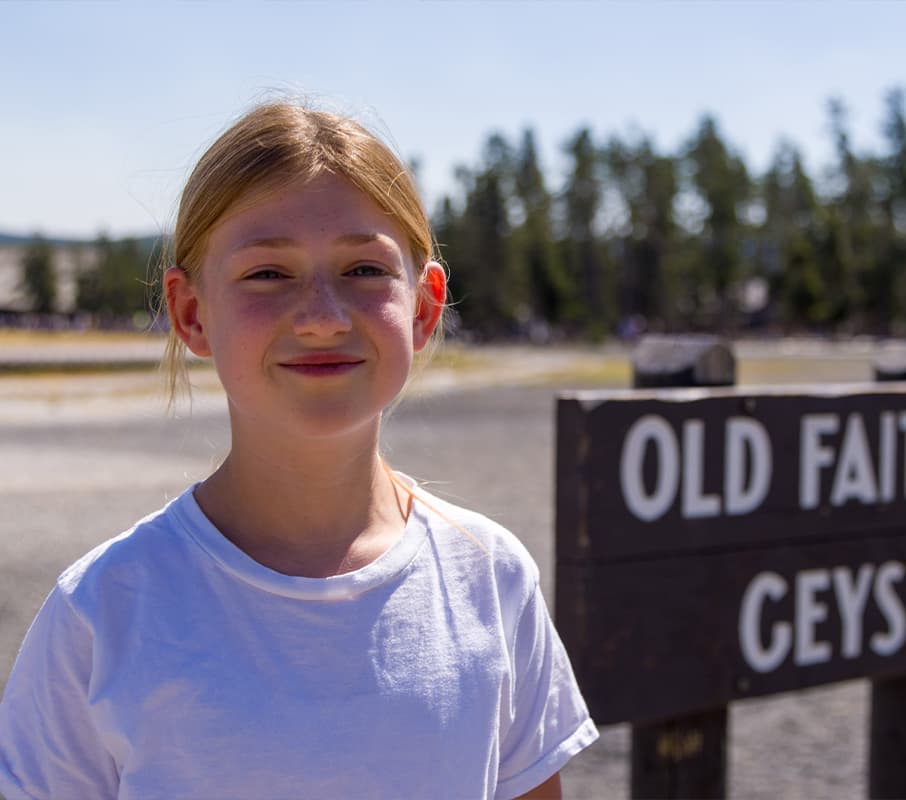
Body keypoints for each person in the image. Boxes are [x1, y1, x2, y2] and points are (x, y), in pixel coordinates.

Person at [0, 102, 598, 799]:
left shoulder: (489, 581)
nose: (320, 316)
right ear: (192, 314)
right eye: (267, 274)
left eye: (365, 270)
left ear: (425, 308)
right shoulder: (103, 615)